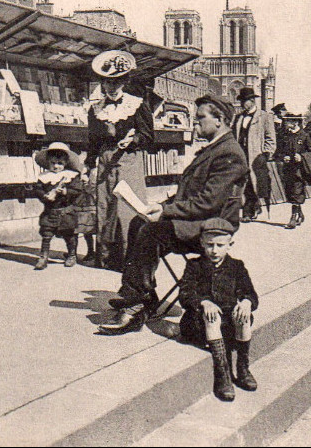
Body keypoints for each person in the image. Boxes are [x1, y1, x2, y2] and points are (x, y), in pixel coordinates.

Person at [99, 95, 248, 335]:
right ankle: (142, 295)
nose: (194, 124)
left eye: (200, 118)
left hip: (211, 226)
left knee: (151, 232)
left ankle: (135, 304)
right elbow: (190, 194)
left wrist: (166, 212)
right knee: (139, 222)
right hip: (197, 219)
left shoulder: (229, 153)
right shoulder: (214, 149)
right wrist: (160, 206)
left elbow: (208, 202)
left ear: (219, 120)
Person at [178, 217, 259, 402]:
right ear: (202, 243)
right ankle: (223, 375)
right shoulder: (194, 266)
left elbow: (251, 293)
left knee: (244, 315)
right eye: (210, 245)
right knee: (212, 316)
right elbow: (185, 294)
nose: (214, 250)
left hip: (228, 326)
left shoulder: (236, 266)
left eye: (220, 245)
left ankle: (243, 367)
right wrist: (203, 303)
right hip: (199, 323)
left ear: (230, 245)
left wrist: (246, 302)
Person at [86, 50, 153, 270]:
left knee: (128, 209)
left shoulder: (136, 104)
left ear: (124, 81)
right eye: (107, 82)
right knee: (104, 208)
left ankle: (130, 259)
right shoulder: (95, 109)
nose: (111, 87)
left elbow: (149, 136)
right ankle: (105, 258)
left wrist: (133, 140)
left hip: (128, 160)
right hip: (105, 161)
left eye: (116, 82)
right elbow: (93, 140)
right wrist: (90, 164)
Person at [31, 143, 89, 270]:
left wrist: (65, 192)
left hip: (66, 211)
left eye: (60, 163)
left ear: (65, 163)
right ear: (48, 162)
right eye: (53, 163)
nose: (56, 166)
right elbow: (38, 190)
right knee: (46, 234)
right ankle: (43, 257)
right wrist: (45, 195)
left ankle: (72, 255)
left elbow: (77, 191)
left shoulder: (71, 176)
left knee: (69, 235)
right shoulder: (44, 177)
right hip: (50, 211)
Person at [232, 87, 276, 222]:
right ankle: (249, 209)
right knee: (243, 182)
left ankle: (252, 208)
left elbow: (270, 138)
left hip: (256, 156)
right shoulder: (239, 117)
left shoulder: (264, 116)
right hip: (241, 155)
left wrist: (266, 154)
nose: (241, 104)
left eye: (244, 101)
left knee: (254, 183)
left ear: (251, 101)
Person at [273, 113, 311, 228]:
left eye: (288, 121)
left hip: (300, 170)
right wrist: (283, 157)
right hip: (288, 170)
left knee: (297, 191)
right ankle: (300, 214)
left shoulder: (304, 136)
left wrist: (302, 157)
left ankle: (293, 218)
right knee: (291, 193)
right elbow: (278, 152)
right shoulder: (284, 136)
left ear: (295, 123)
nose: (286, 124)